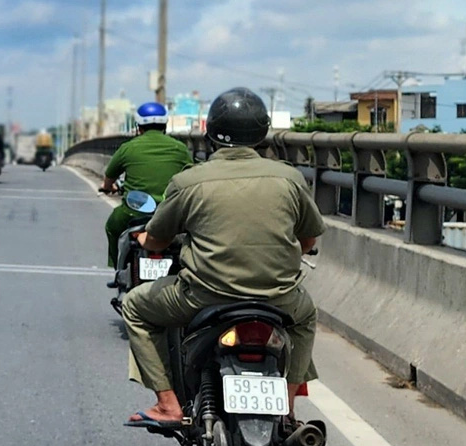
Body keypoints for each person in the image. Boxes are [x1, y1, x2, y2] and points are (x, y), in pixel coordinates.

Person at [119, 88, 324, 425]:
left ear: (210, 131)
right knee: (305, 317)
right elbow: (308, 238)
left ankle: (168, 404)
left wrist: (146, 238)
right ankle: (287, 408)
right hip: (278, 298)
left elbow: (157, 239)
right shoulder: (289, 178)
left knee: (135, 306)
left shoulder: (189, 181)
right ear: (261, 133)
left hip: (203, 297)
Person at [101, 101, 194, 272]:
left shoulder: (128, 148)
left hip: (135, 211)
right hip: (170, 212)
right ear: (164, 125)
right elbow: (192, 176)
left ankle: (118, 270)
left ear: (139, 127)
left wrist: (108, 187)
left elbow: (109, 177)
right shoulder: (179, 148)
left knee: (113, 225)